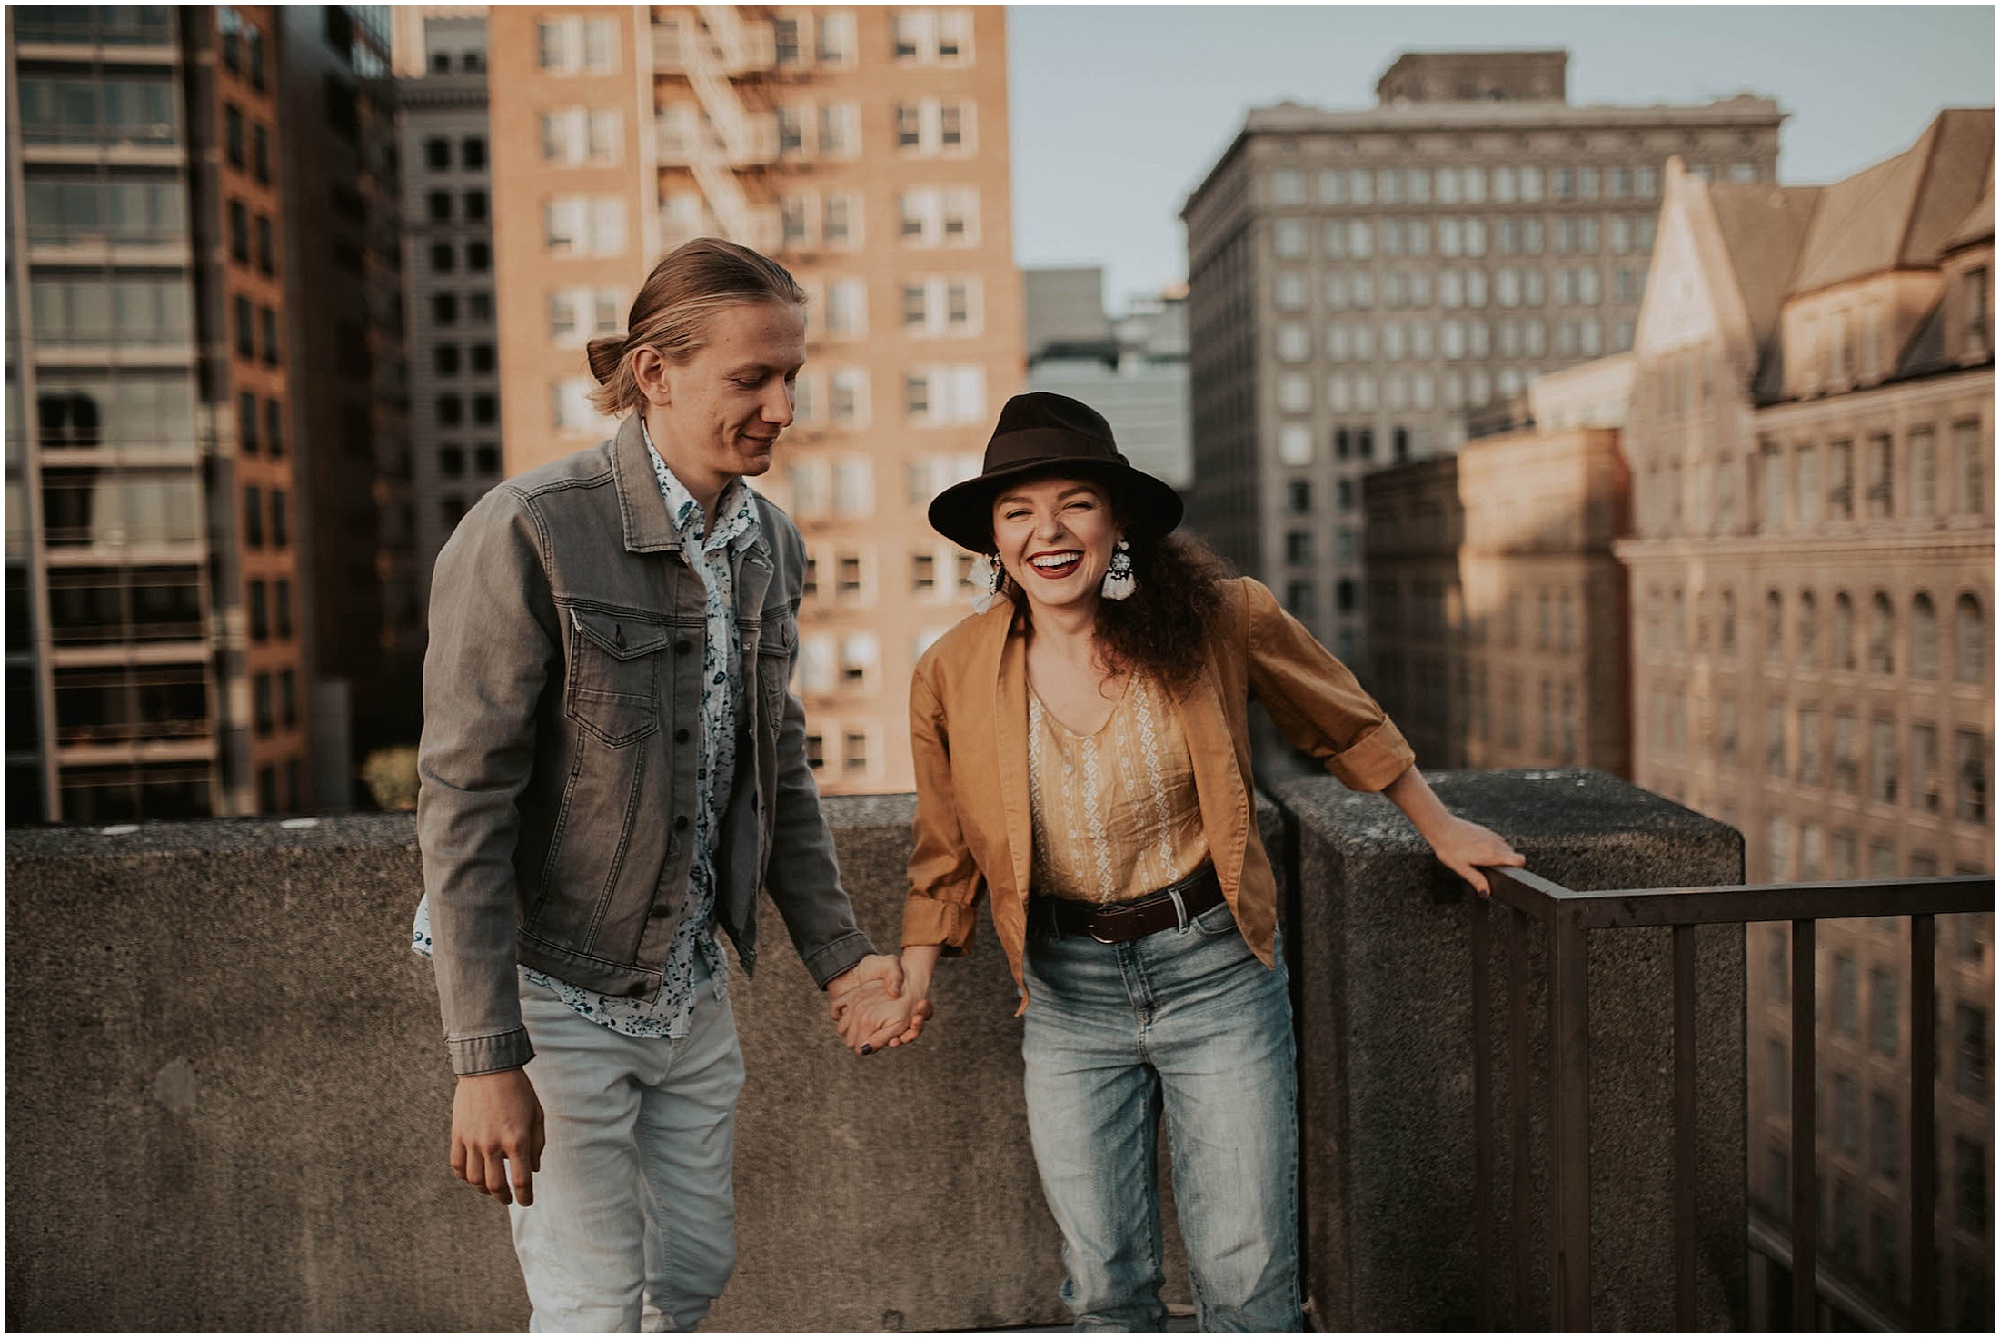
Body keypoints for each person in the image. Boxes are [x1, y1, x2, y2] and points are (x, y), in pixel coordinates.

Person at [838, 392, 1523, 1332]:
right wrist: (913, 976)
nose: (1048, 531)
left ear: (1116, 521)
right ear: (995, 542)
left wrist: (1437, 825)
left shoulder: (1218, 619)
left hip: (1217, 975)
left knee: (1248, 1283)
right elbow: (948, 843)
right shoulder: (951, 670)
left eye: (1074, 502)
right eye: (1017, 512)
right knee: (1105, 1286)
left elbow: (1341, 717)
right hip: (1066, 994)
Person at [413, 238, 921, 1331]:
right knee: (592, 1304)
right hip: (559, 995)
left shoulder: (765, 544)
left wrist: (839, 959)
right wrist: (485, 1057)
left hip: (692, 994)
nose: (783, 406)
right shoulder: (531, 528)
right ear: (655, 372)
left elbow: (772, 771)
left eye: (792, 374)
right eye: (752, 378)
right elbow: (462, 803)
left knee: (688, 1275)